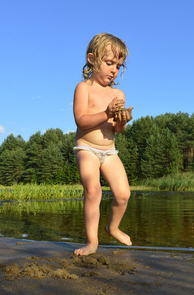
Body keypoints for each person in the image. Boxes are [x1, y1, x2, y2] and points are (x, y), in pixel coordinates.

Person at [73, 33, 133, 256]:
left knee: (123, 194)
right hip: (86, 148)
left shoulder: (118, 94)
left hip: (109, 151)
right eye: (109, 63)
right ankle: (92, 242)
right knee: (93, 191)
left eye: (118, 65)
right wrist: (105, 113)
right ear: (92, 59)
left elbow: (117, 130)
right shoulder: (84, 88)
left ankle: (113, 227)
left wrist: (121, 121)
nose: (114, 70)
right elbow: (81, 120)